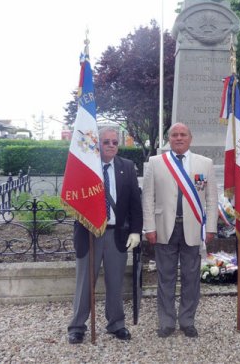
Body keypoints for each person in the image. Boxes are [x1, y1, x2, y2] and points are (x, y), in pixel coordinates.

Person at [68, 127, 143, 344]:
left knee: (115, 282)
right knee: (84, 283)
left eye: (114, 142)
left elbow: (135, 204)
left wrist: (136, 231)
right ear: (97, 144)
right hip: (89, 234)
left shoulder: (127, 167)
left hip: (116, 234)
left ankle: (116, 324)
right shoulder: (86, 167)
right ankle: (77, 326)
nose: (110, 145)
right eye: (106, 142)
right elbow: (74, 199)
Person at [142, 123, 218, 338]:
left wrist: (210, 226)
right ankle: (166, 322)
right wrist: (149, 227)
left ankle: (187, 321)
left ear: (190, 138)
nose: (179, 138)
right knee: (165, 278)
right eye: (174, 135)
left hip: (193, 228)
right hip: (164, 228)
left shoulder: (205, 164)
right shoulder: (156, 163)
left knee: (191, 278)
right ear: (169, 139)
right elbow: (148, 198)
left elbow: (212, 198)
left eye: (183, 134)